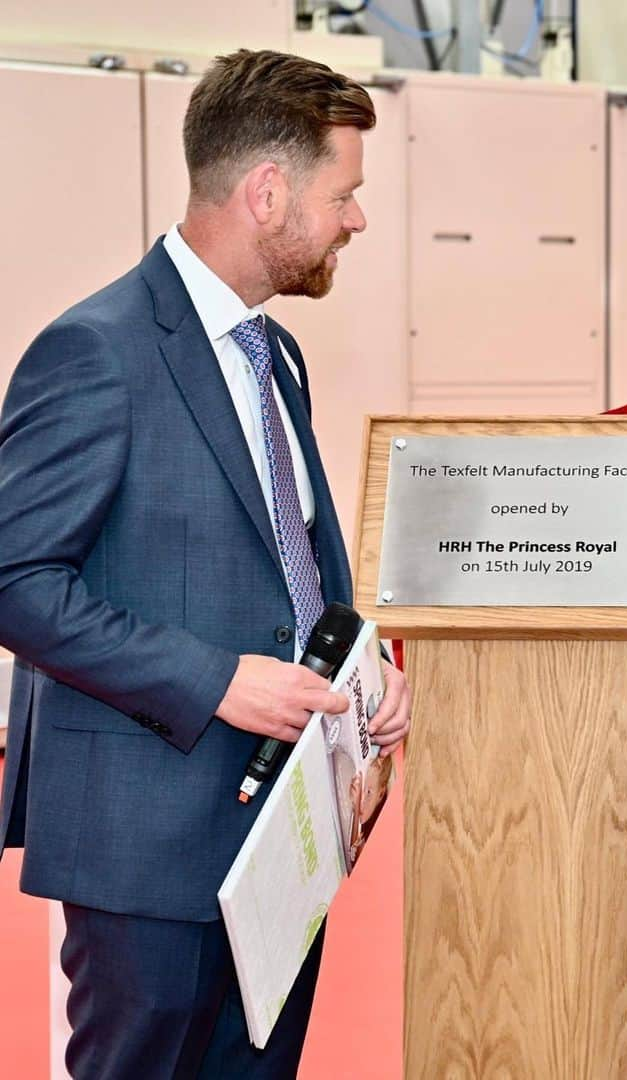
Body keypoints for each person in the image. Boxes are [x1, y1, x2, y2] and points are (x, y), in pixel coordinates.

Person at [0, 49, 411, 1078]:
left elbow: (290, 565)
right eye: (343, 193)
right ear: (267, 192)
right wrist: (216, 680)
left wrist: (365, 670)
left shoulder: (278, 353)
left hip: (281, 842)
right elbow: (16, 581)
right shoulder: (97, 351)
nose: (355, 219)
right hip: (146, 847)